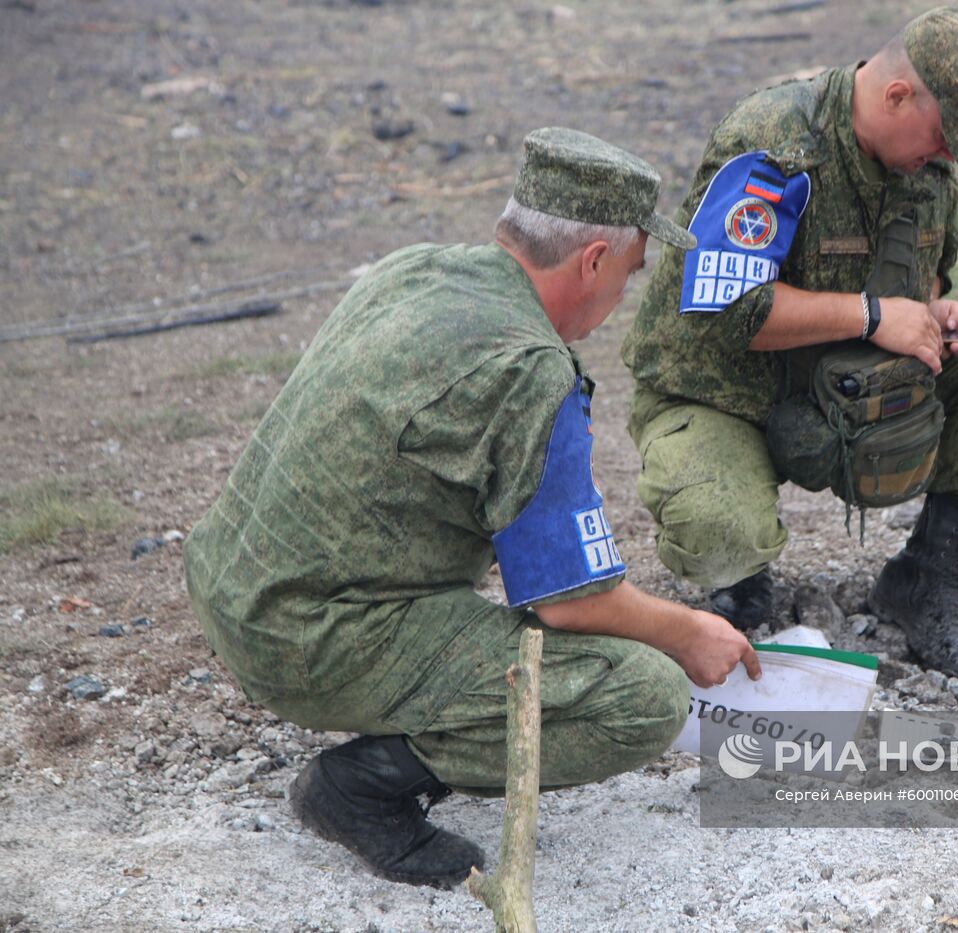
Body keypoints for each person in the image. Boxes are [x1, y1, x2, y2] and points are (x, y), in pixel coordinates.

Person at [183, 127, 761, 889]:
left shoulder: (415, 268)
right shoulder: (529, 369)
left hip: (232, 580)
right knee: (643, 697)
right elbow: (571, 601)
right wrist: (689, 632)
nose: (623, 295)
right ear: (592, 261)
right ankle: (362, 789)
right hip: (305, 636)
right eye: (628, 272)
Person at [622, 7, 958, 684]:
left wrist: (934, 307)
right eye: (943, 137)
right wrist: (872, 314)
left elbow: (930, 268)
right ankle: (741, 588)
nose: (946, 156)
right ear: (895, 96)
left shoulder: (921, 165)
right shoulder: (775, 142)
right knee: (720, 527)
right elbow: (730, 305)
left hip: (851, 392)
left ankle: (924, 574)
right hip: (726, 394)